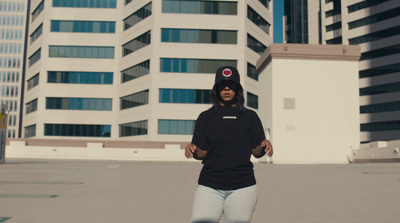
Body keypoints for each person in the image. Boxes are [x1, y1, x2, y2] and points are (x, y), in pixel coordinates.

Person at [185, 66, 273, 223]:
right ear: (216, 89)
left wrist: (264, 145)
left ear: (237, 89)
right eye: (222, 85)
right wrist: (193, 149)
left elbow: (256, 151)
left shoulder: (250, 117)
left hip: (243, 186)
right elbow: (201, 153)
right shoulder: (206, 117)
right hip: (210, 185)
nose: (226, 89)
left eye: (231, 85)